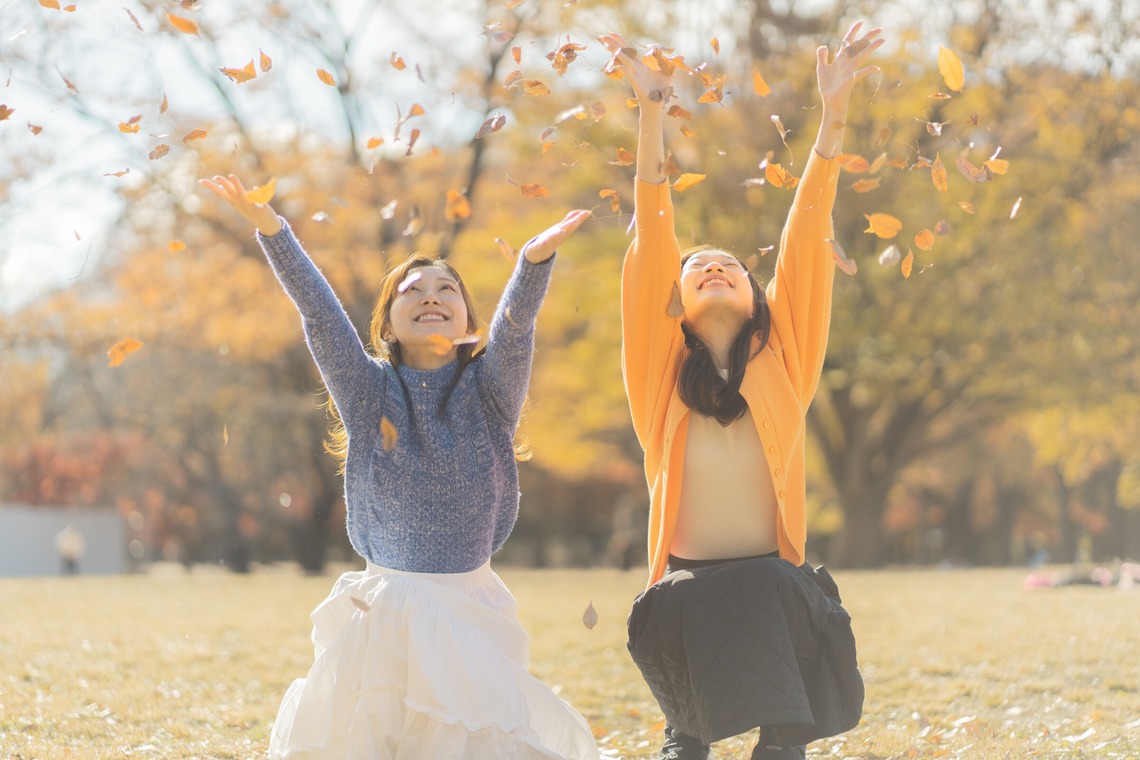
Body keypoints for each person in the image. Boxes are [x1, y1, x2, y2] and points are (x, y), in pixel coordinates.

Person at [199, 174, 598, 760]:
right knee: (377, 736)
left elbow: (517, 328)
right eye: (413, 289)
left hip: (469, 606)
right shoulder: (367, 392)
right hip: (383, 608)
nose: (431, 295)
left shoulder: (490, 394)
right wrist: (271, 228)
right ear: (388, 325)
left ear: (467, 325)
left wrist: (534, 263)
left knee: (464, 736)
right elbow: (318, 313)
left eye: (446, 289)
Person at [600, 22, 883, 760]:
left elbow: (806, 232)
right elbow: (654, 236)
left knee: (782, 715)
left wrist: (834, 119)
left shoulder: (784, 360)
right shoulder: (658, 374)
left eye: (730, 266)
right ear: (675, 300)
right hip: (686, 590)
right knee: (685, 736)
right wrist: (653, 117)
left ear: (759, 298)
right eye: (699, 270)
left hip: (771, 581)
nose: (715, 268)